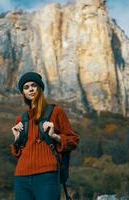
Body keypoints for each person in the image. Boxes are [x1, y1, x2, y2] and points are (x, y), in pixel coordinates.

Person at [10, 71, 79, 200]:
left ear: (40, 88)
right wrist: (16, 139)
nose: (30, 89)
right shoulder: (21, 119)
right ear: (23, 93)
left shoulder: (56, 112)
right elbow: (17, 154)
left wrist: (54, 136)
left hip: (47, 175)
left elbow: (73, 140)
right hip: (21, 177)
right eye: (26, 87)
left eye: (33, 85)